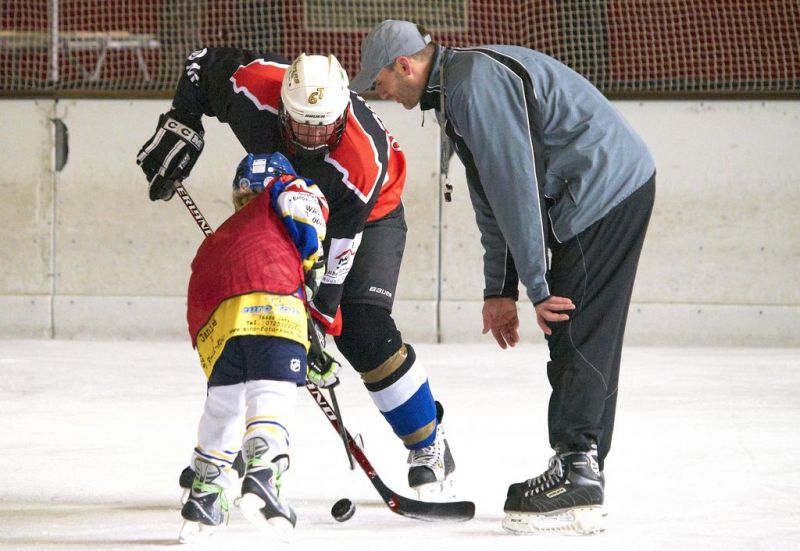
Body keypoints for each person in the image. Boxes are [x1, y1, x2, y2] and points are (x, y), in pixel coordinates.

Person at [350, 20, 656, 535]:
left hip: (601, 189)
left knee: (574, 327)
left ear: (404, 65)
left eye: (378, 81)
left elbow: (519, 184)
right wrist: (500, 291)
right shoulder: (458, 87)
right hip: (608, 184)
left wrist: (537, 287)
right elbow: (492, 196)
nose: (378, 93)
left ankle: (578, 470)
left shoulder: (471, 83)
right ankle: (583, 463)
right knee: (582, 328)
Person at [136, 51, 457, 499]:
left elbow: (339, 260)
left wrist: (319, 320)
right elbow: (197, 64)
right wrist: (184, 120)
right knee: (255, 316)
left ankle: (428, 443)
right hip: (286, 199)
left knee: (362, 330)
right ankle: (235, 447)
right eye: (300, 123)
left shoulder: (361, 162)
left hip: (367, 218)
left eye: (321, 126)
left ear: (342, 112)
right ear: (282, 104)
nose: (309, 137)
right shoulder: (253, 87)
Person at [178, 152, 328, 543]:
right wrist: (314, 311)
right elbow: (308, 226)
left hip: (215, 319)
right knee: (271, 389)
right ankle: (262, 474)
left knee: (224, 403)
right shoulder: (288, 188)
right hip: (272, 295)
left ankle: (205, 493)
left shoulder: (222, 236)